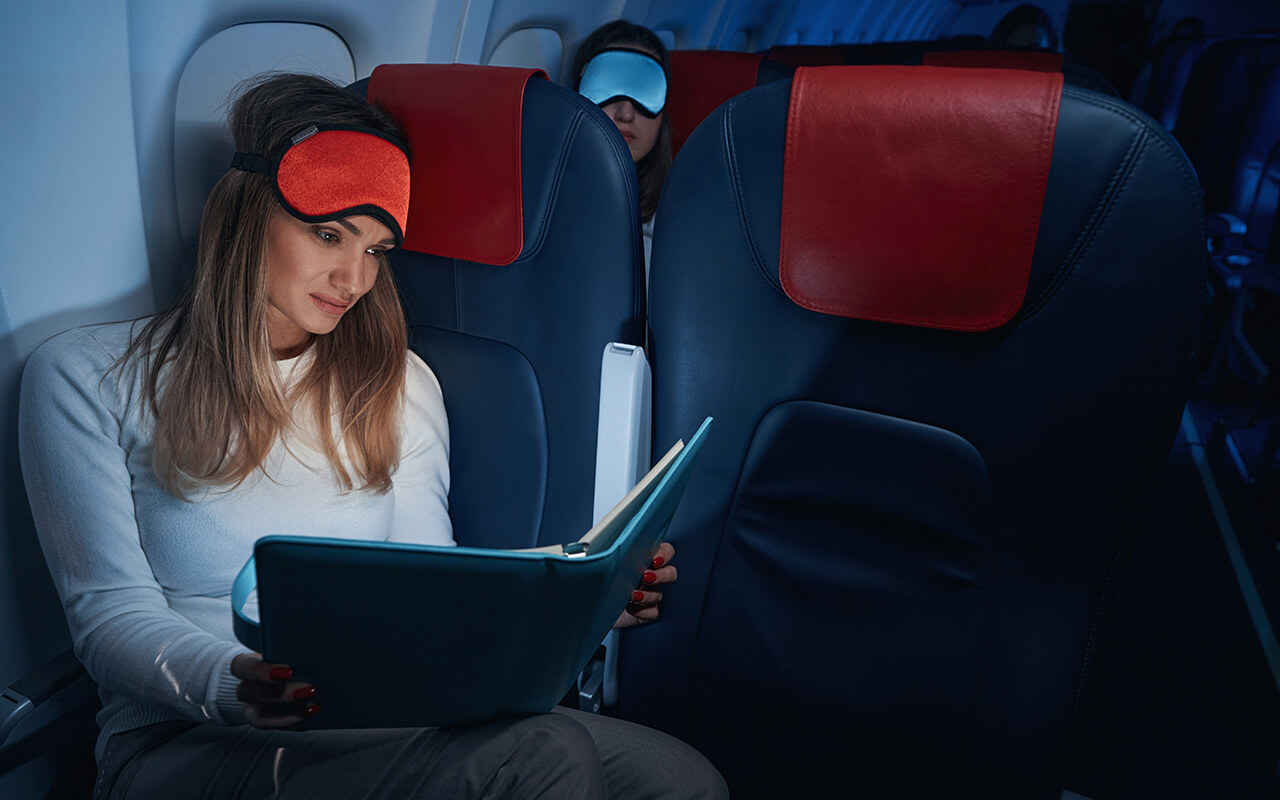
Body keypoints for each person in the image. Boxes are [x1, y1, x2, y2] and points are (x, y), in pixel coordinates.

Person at [18, 72, 727, 799]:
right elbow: (107, 616)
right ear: (245, 215)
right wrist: (243, 685)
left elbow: (432, 582)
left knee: (678, 779)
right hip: (190, 737)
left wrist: (586, 585)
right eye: (329, 234)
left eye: (378, 250)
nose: (352, 278)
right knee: (541, 757)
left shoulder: (396, 384)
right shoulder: (85, 377)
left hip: (374, 713)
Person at [571, 20, 672, 277]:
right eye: (608, 87)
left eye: (645, 91)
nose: (626, 113)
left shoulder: (682, 222)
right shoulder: (537, 204)